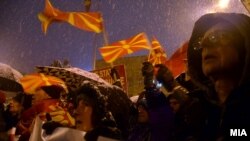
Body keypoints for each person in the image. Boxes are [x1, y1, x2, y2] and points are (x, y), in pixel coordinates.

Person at [188, 12, 250, 140]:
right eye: (201, 43)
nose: (205, 45)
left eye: (219, 36)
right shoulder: (196, 110)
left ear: (245, 45)